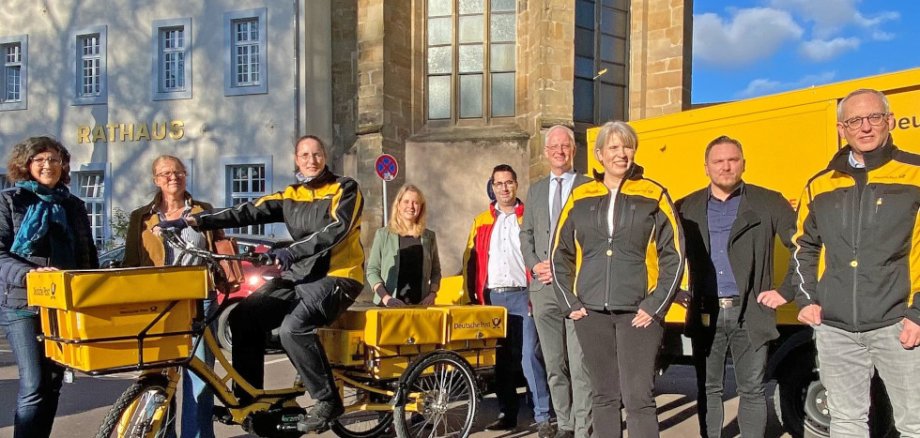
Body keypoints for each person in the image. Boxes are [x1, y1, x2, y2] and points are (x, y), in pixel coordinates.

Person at [156, 135, 364, 433]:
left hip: (338, 276)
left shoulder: (345, 188)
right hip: (300, 275)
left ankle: (328, 400)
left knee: (294, 328)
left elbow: (336, 229)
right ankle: (249, 398)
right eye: (304, 155)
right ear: (296, 159)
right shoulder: (291, 194)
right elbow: (247, 210)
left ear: (325, 157)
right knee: (243, 318)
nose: (311, 160)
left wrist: (292, 251)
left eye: (316, 154)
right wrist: (193, 222)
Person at [791, 88, 920, 436]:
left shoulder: (915, 174)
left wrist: (918, 313)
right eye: (854, 120)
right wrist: (807, 300)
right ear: (841, 128)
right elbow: (803, 246)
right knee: (846, 422)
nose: (865, 127)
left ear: (890, 121)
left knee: (914, 423)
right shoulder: (819, 185)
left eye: (874, 117)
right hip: (837, 330)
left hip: (900, 324)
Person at [552, 121, 684, 438]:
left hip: (639, 314)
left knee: (638, 396)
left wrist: (655, 305)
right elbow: (559, 253)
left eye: (626, 146)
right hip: (591, 313)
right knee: (603, 397)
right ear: (599, 154)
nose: (621, 153)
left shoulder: (654, 194)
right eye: (613, 147)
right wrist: (570, 303)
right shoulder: (580, 196)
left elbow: (675, 254)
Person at [676, 135, 796, 438]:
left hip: (751, 312)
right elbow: (660, 252)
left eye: (733, 160)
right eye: (718, 161)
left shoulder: (769, 202)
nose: (726, 166)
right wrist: (673, 290)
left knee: (752, 389)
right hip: (706, 311)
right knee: (709, 388)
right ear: (706, 168)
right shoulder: (686, 207)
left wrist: (787, 289)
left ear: (744, 163)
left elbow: (804, 246)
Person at [0, 136, 99, 438]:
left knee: (54, 381)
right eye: (40, 159)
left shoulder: (73, 205)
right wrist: (31, 274)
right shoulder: (9, 201)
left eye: (54, 159)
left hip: (64, 306)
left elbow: (87, 257)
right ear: (26, 164)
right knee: (34, 383)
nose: (48, 165)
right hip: (22, 304)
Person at [123, 155, 223, 438]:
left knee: (200, 376)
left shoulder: (204, 211)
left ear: (185, 175)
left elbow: (218, 251)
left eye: (178, 172)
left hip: (200, 301)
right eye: (165, 173)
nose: (172, 177)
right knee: (158, 378)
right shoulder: (141, 217)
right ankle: (163, 434)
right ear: (156, 180)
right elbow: (131, 263)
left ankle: (198, 436)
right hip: (157, 304)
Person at [462, 164, 554, 435]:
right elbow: (470, 260)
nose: (504, 188)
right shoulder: (481, 220)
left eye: (509, 182)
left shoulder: (530, 218)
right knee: (500, 359)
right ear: (492, 186)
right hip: (493, 298)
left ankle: (543, 416)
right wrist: (472, 298)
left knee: (529, 356)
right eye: (498, 183)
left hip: (524, 295)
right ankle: (507, 413)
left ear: (516, 185)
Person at [519, 125, 593, 438]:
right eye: (554, 147)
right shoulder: (535, 190)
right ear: (546, 152)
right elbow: (527, 235)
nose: (559, 152)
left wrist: (569, 268)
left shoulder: (590, 186)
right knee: (554, 363)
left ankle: (583, 427)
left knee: (580, 364)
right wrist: (535, 265)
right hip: (544, 288)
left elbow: (596, 235)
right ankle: (564, 424)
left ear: (573, 150)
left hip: (577, 287)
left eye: (565, 146)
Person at [366, 184, 441, 307]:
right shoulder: (383, 235)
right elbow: (372, 271)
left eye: (415, 202)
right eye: (406, 201)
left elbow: (436, 271)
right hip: (389, 306)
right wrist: (385, 298)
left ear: (421, 207)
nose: (411, 206)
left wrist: (432, 294)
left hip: (420, 306)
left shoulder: (429, 237)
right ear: (399, 205)